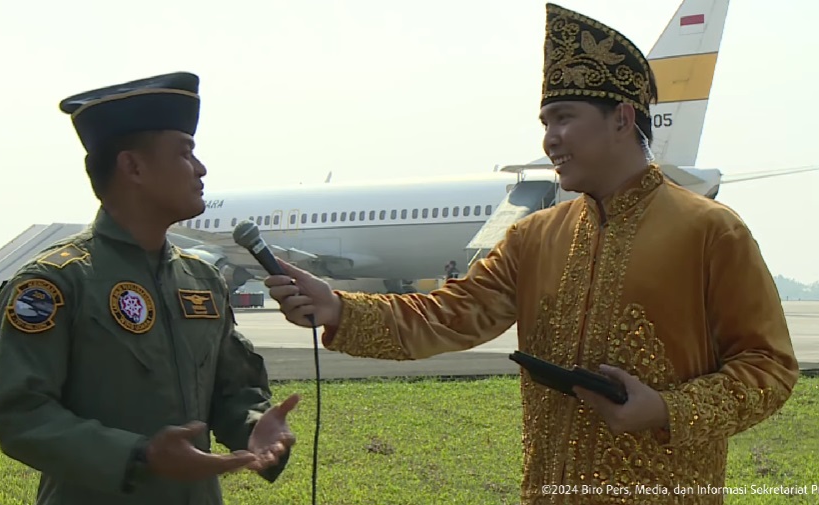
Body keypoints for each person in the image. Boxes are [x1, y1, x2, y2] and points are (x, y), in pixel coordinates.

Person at [265, 4, 799, 504]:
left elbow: (769, 368)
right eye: (545, 123)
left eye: (563, 117)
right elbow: (449, 316)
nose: (550, 139)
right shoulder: (534, 236)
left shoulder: (712, 232)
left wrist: (665, 409)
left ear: (622, 117)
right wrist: (338, 308)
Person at [0, 72, 299, 505]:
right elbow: (22, 416)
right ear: (133, 166)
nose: (200, 168)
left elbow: (231, 391)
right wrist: (140, 456)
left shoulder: (203, 280)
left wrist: (254, 426)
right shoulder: (53, 283)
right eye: (185, 152)